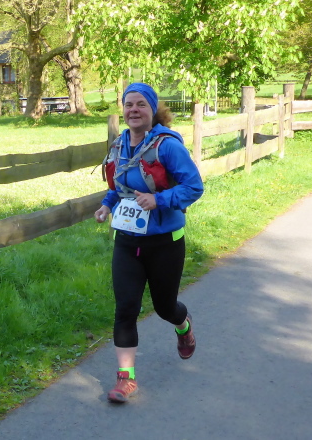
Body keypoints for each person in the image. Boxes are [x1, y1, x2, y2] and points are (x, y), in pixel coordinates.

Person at [94, 82, 204, 404]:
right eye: (129, 104)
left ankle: (183, 326)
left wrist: (160, 200)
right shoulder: (119, 145)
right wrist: (106, 205)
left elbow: (194, 187)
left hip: (165, 242)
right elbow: (119, 187)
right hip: (127, 242)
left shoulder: (167, 146)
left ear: (152, 109)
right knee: (125, 308)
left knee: (164, 307)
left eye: (141, 104)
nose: (133, 110)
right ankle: (125, 379)